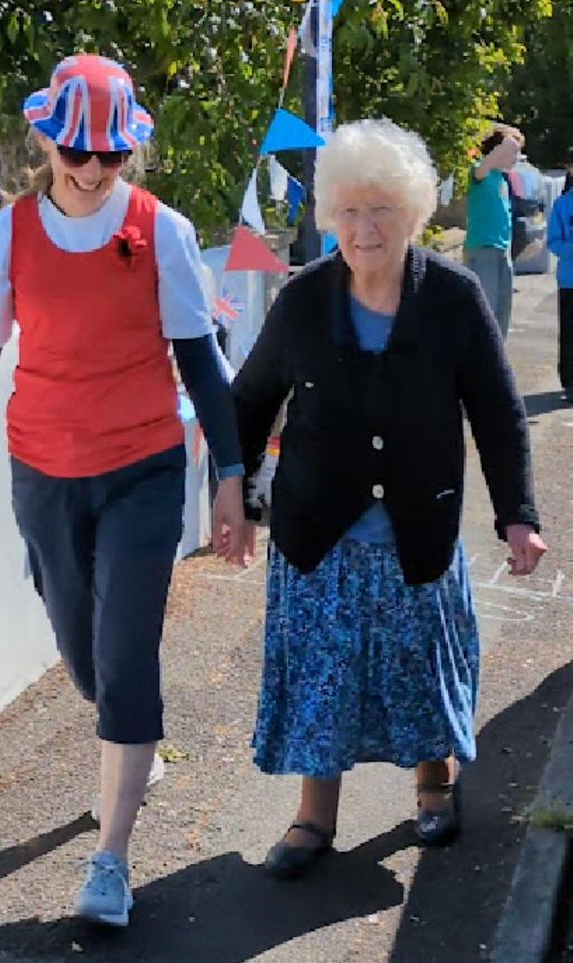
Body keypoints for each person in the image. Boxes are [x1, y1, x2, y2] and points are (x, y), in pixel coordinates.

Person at [0, 54, 246, 927]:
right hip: (44, 472)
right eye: (77, 152)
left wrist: (230, 475)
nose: (93, 170)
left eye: (110, 155)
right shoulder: (6, 235)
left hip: (143, 466)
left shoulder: (162, 231)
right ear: (47, 143)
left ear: (128, 152)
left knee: (128, 650)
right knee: (82, 649)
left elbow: (201, 364)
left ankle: (111, 860)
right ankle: (124, 731)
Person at [231, 118, 547, 879]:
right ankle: (314, 817)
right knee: (322, 680)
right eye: (349, 211)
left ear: (412, 214)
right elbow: (249, 400)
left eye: (381, 210)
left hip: (415, 526)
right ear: (329, 214)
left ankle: (434, 785)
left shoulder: (452, 298)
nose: (364, 228)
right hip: (319, 534)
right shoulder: (303, 299)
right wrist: (231, 492)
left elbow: (497, 411)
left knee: (421, 671)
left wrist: (518, 515)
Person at [464, 124, 524, 339]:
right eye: (513, 152)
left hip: (502, 250)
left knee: (502, 311)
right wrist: (505, 143)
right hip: (483, 248)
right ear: (498, 150)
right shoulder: (481, 172)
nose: (516, 158)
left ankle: (498, 354)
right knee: (485, 309)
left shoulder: (502, 179)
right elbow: (481, 170)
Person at [547, 161, 573, 402]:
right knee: (569, 334)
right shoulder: (563, 204)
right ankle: (570, 382)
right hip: (569, 280)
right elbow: (553, 242)